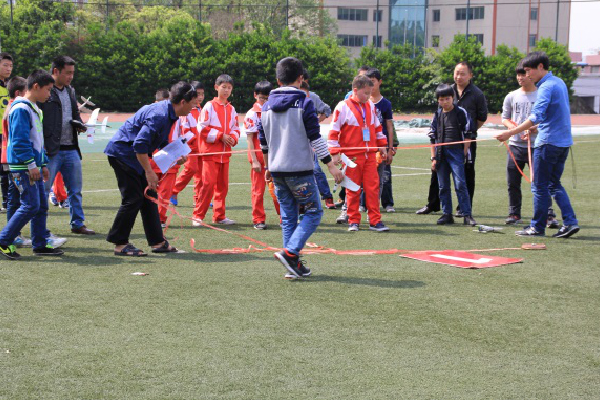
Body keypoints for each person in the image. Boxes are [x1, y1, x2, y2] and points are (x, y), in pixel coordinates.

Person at [258, 57, 342, 278]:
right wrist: (331, 166)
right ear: (301, 78)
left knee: (288, 216)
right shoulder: (305, 104)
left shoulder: (265, 107)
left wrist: (267, 166)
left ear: (277, 80)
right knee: (314, 212)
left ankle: (291, 263)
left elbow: (263, 141)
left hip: (276, 170)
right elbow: (315, 138)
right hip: (299, 170)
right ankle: (290, 252)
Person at [104, 81, 197, 256]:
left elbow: (158, 140)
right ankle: (120, 243)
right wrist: (149, 172)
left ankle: (157, 242)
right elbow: (139, 144)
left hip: (133, 154)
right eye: (193, 103)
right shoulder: (160, 115)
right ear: (183, 102)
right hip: (123, 154)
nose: (194, 107)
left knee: (149, 196)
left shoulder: (169, 112)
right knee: (133, 198)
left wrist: (175, 153)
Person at [494, 51, 579, 238]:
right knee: (553, 184)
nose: (527, 75)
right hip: (563, 143)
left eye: (529, 70)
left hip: (548, 143)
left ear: (540, 67)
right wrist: (534, 128)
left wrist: (510, 133)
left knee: (539, 186)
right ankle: (571, 222)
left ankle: (537, 227)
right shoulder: (559, 82)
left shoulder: (546, 87)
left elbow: (535, 116)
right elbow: (551, 115)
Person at [0, 70, 64, 259]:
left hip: (32, 165)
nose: (49, 94)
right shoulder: (21, 108)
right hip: (22, 167)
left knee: (39, 205)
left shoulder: (33, 107)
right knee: (30, 205)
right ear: (35, 87)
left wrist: (42, 163)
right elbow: (19, 141)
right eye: (48, 89)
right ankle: (3, 240)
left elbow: (37, 141)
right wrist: (31, 165)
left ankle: (39, 243)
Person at [416, 61, 487, 216]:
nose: (458, 76)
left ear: (470, 75)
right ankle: (433, 204)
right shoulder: (447, 90)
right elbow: (437, 122)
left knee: (465, 176)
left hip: (464, 144)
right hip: (442, 145)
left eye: (462, 73)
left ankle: (463, 210)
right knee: (438, 176)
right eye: (456, 73)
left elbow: (481, 118)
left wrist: (467, 135)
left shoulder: (477, 94)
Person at [38, 55, 95, 235]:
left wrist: (79, 124)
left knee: (75, 190)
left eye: (72, 73)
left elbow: (74, 113)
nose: (70, 76)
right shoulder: (44, 91)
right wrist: (43, 146)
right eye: (67, 73)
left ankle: (78, 223)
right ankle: (41, 229)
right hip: (51, 150)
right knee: (43, 191)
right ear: (56, 71)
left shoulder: (70, 90)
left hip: (71, 148)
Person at [329, 74, 389, 232]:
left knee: (373, 188)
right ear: (355, 90)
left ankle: (375, 221)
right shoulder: (342, 107)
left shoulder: (370, 106)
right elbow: (333, 131)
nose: (369, 96)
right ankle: (353, 221)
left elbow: (377, 128)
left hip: (370, 156)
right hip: (351, 157)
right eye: (366, 93)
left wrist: (383, 145)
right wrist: (334, 152)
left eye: (370, 93)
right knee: (352, 188)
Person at [192, 75, 240, 226]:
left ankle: (219, 216)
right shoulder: (209, 106)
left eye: (229, 88)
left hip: (225, 154)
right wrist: (220, 136)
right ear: (216, 87)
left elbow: (236, 128)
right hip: (210, 153)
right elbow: (201, 127)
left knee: (222, 186)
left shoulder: (232, 109)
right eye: (223, 87)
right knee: (207, 184)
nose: (226, 90)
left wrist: (232, 137)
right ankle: (198, 216)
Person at [429, 84, 477, 226]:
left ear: (453, 98)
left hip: (457, 152)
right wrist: (433, 157)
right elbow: (432, 137)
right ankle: (447, 214)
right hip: (440, 154)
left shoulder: (461, 112)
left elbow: (469, 135)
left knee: (460, 184)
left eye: (447, 99)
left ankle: (467, 214)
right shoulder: (437, 114)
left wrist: (463, 153)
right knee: (443, 186)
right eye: (441, 99)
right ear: (438, 100)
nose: (445, 102)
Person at [2, 76, 32, 248]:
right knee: (15, 197)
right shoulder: (16, 108)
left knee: (14, 197)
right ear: (19, 92)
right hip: (12, 158)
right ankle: (13, 235)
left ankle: (14, 234)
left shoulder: (11, 107)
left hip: (9, 157)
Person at [360, 67, 396, 213]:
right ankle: (363, 203)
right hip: (367, 147)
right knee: (364, 177)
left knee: (384, 176)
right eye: (368, 82)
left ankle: (387, 203)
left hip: (381, 147)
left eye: (373, 82)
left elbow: (389, 126)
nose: (370, 85)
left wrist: (390, 147)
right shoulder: (363, 102)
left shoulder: (385, 104)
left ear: (380, 82)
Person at [244, 80, 279, 230]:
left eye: (267, 98)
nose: (264, 101)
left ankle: (284, 217)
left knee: (278, 189)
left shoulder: (275, 111)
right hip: (259, 157)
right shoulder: (252, 114)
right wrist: (254, 160)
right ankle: (258, 219)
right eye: (261, 97)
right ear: (255, 96)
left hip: (274, 156)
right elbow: (250, 139)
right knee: (258, 191)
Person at [299, 81, 335, 210]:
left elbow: (327, 109)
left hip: (311, 140)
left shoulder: (312, 97)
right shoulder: (286, 99)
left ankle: (327, 196)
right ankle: (301, 204)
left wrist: (316, 121)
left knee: (316, 169)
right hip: (295, 144)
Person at [170, 81, 204, 206]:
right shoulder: (186, 110)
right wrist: (196, 138)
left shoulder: (201, 109)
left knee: (201, 174)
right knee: (191, 169)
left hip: (202, 148)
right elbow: (185, 132)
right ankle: (173, 190)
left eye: (202, 94)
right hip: (191, 148)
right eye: (197, 95)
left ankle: (199, 198)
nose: (200, 97)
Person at [0, 53, 14, 213]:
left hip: (6, 136)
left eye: (10, 66)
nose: (9, 69)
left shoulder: (11, 87)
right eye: (5, 65)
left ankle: (6, 202)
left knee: (6, 170)